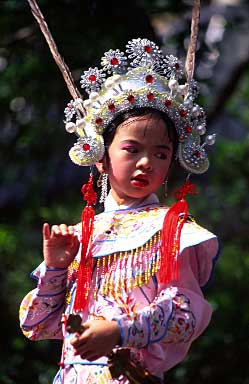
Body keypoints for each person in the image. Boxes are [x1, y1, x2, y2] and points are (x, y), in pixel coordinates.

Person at [19, 38, 219, 383]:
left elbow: (184, 314)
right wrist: (55, 268)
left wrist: (119, 331)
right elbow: (37, 326)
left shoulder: (173, 229)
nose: (146, 163)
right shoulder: (84, 234)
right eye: (132, 149)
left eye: (160, 154)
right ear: (100, 156)